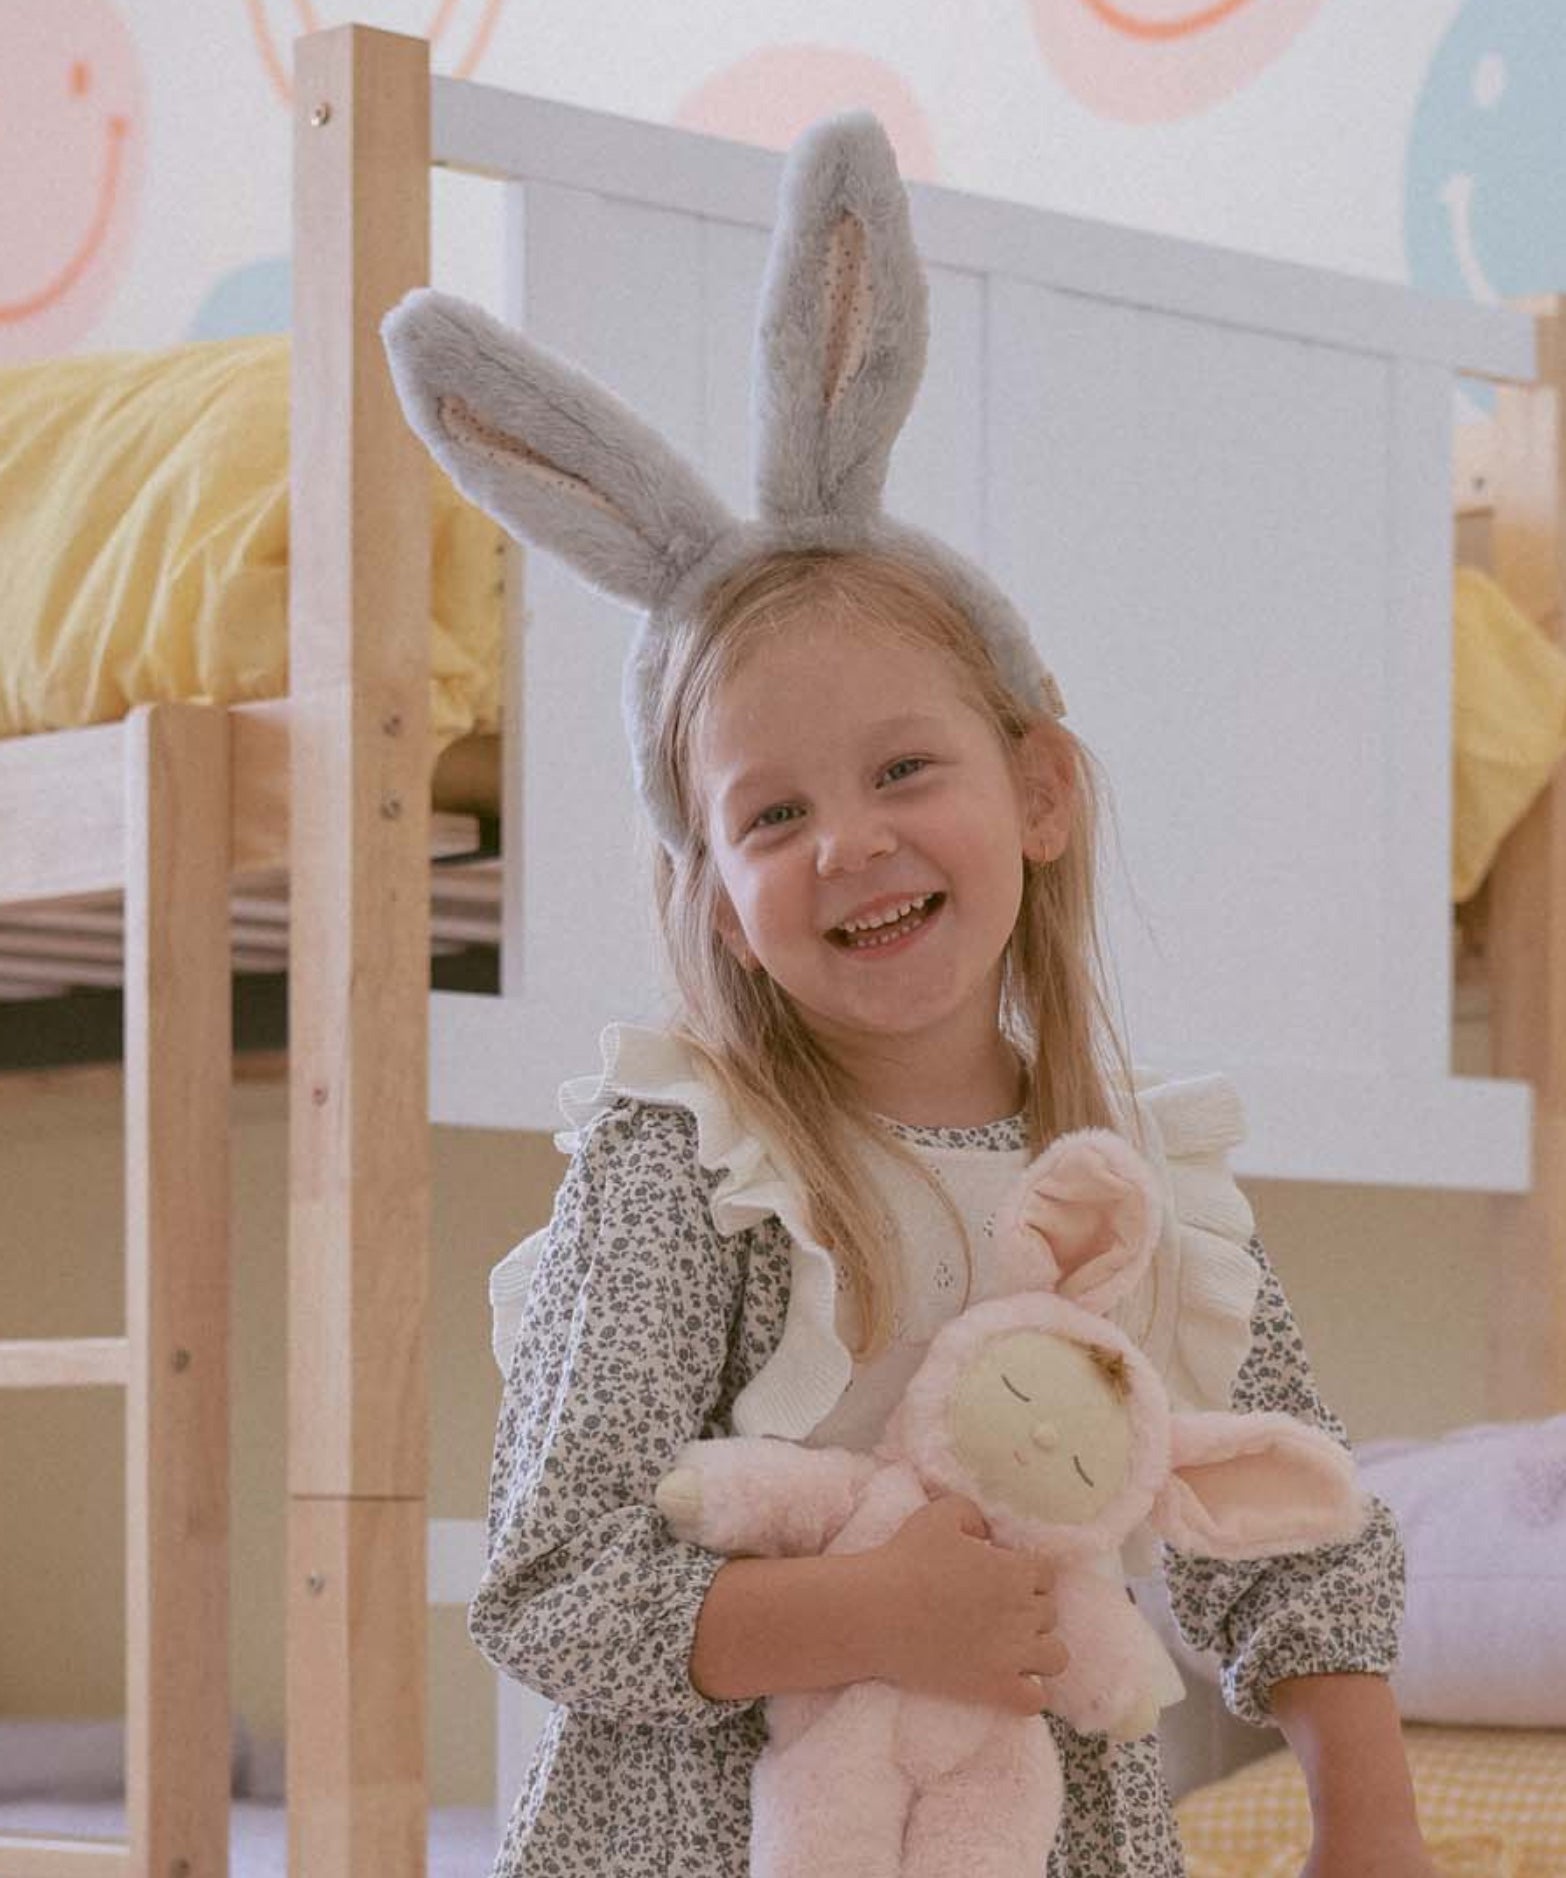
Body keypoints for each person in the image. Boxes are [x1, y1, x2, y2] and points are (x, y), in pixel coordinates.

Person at [383, 114, 1436, 1878]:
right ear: (710, 896)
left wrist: (1369, 1821)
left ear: (1034, 791)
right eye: (772, 814)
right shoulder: (688, 1168)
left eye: (899, 772)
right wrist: (873, 1613)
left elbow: (1288, 1513)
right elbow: (555, 1582)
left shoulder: (1125, 1184)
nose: (847, 845)